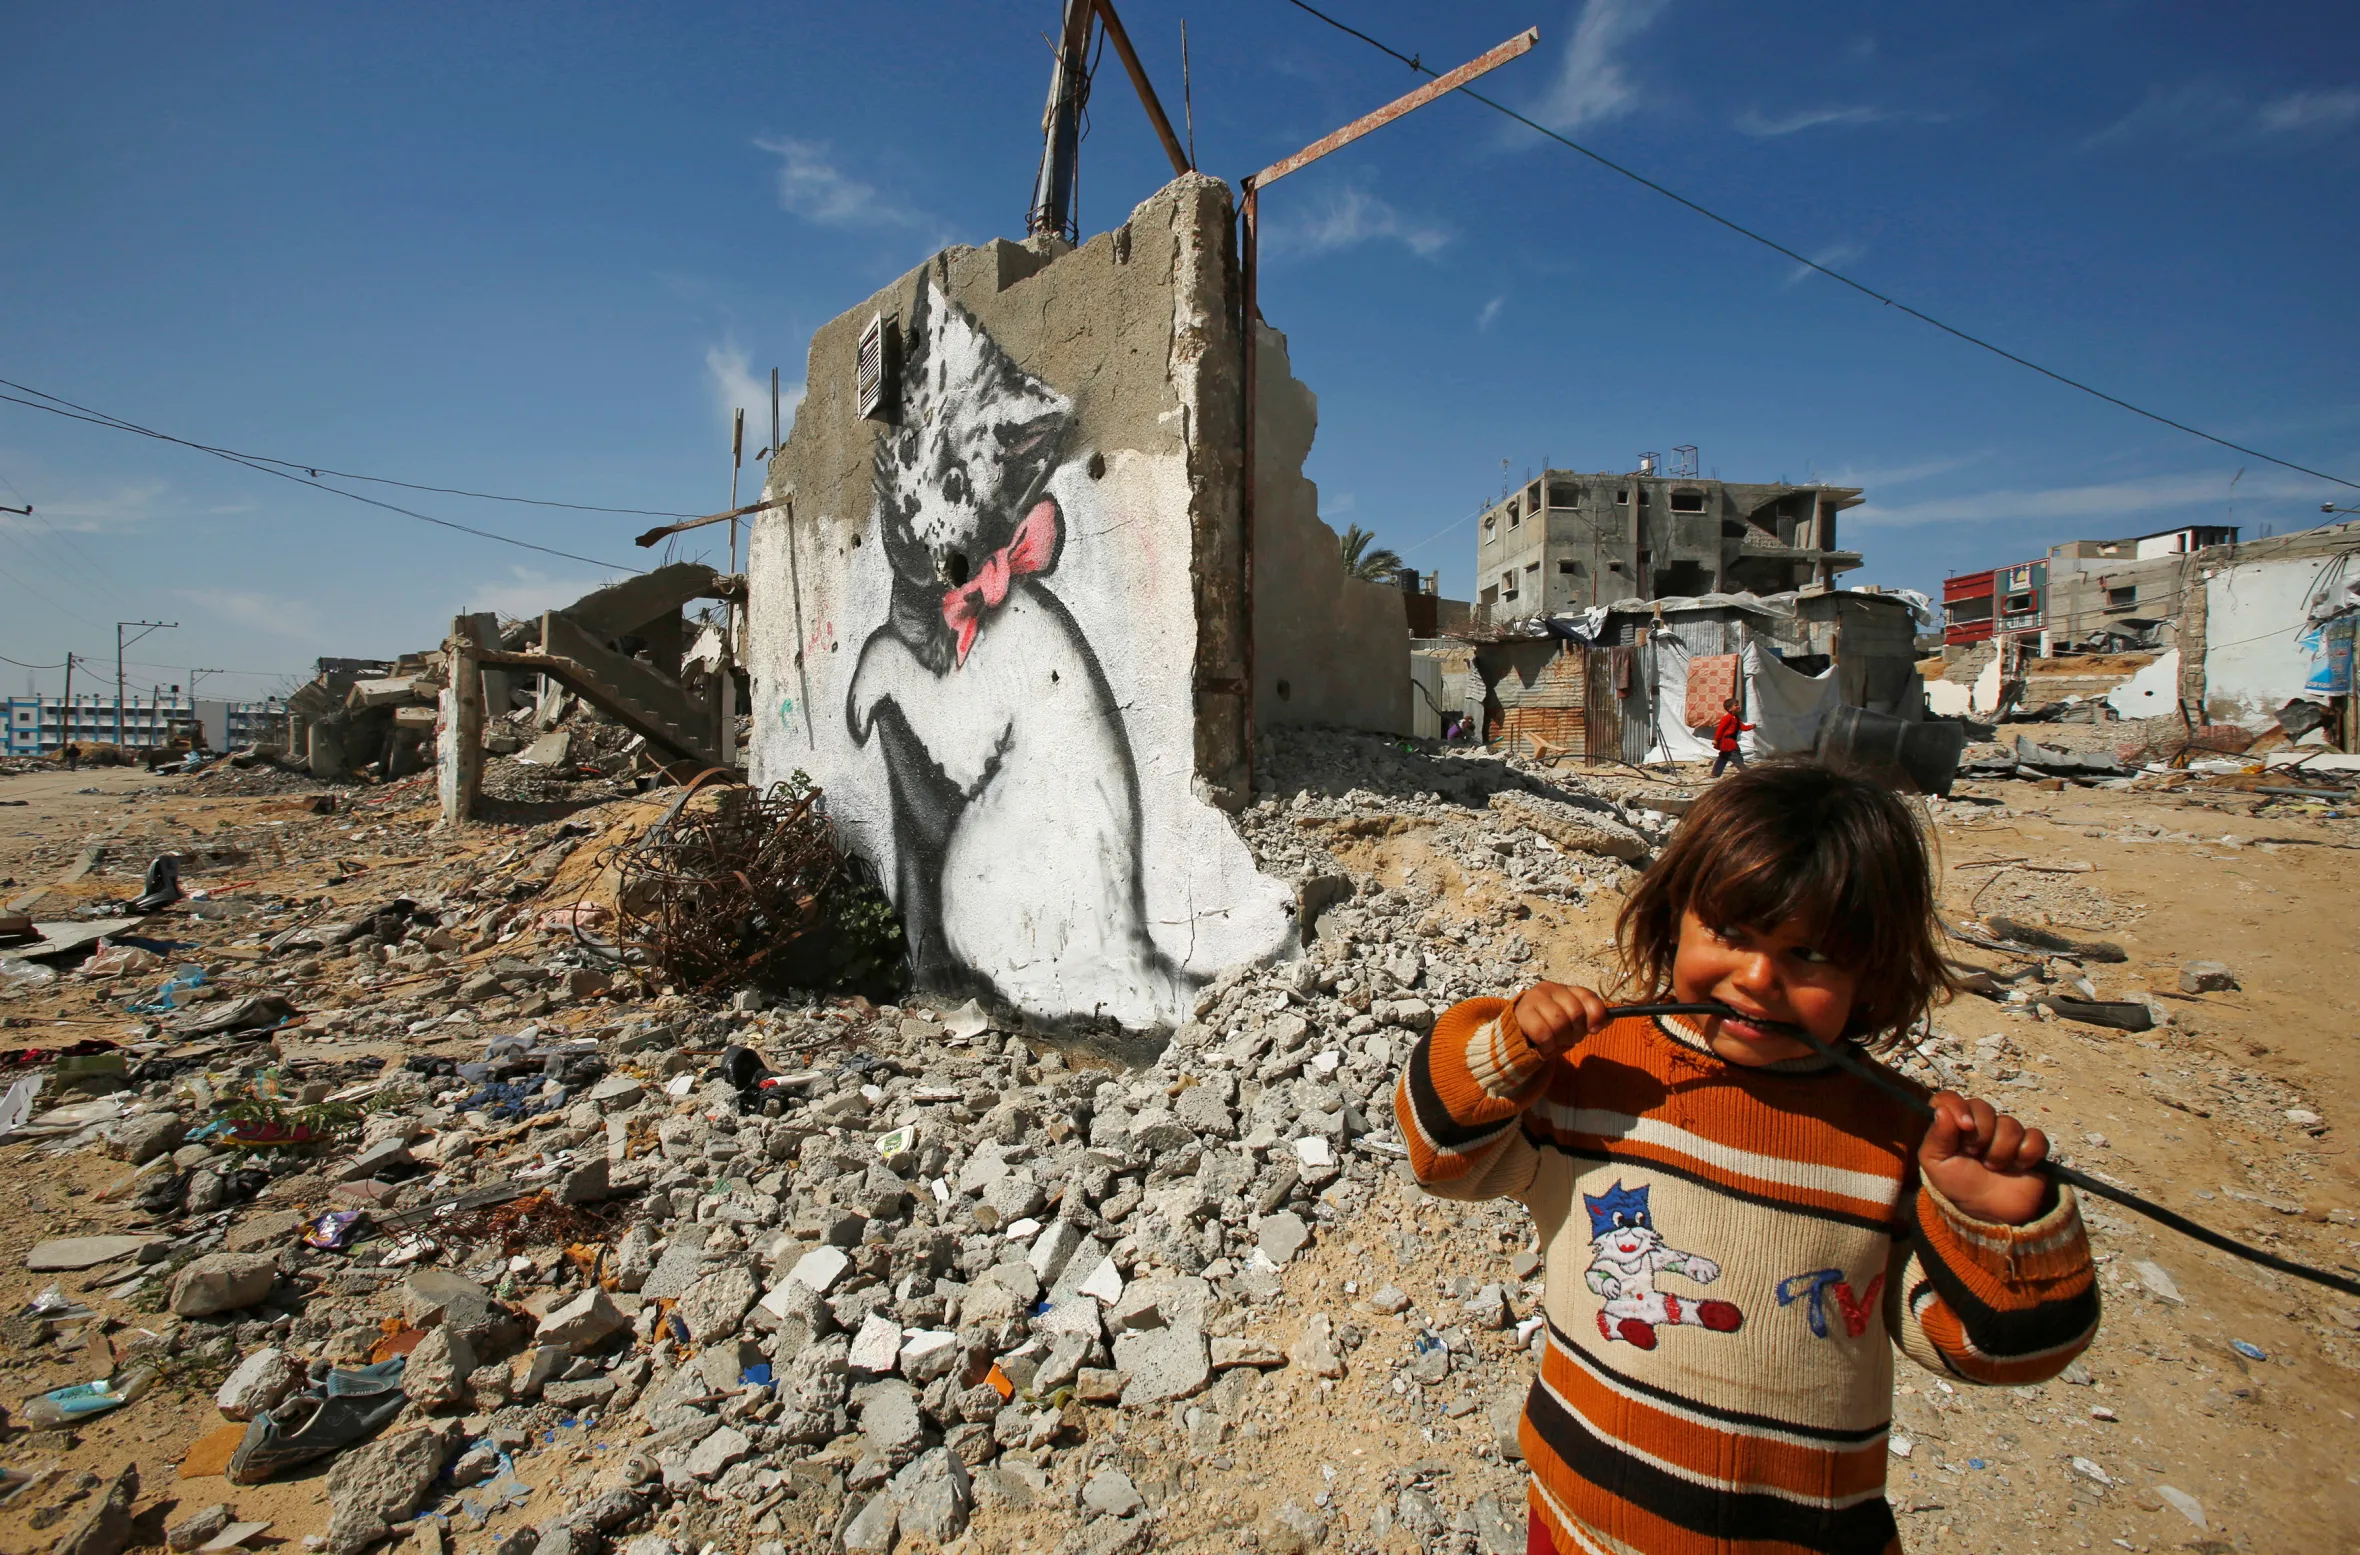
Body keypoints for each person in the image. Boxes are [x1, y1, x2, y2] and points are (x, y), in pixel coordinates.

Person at [1396, 758, 2097, 1555]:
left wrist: (2000, 1221)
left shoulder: (1896, 1139)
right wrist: (1506, 1048)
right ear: (1673, 919)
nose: (1760, 978)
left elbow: (1990, 1352)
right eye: (1730, 933)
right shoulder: (1595, 1076)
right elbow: (1438, 1153)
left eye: (1813, 955)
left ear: (1872, 970)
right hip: (1581, 1526)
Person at [1710, 696, 1753, 777]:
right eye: (1736, 705)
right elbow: (1720, 729)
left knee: (1723, 758)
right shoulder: (1727, 718)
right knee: (1736, 757)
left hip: (1731, 741)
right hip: (1728, 742)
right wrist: (1716, 739)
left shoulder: (1736, 718)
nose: (1738, 706)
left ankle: (1715, 773)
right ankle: (1746, 773)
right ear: (1730, 709)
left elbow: (1742, 727)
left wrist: (1752, 726)